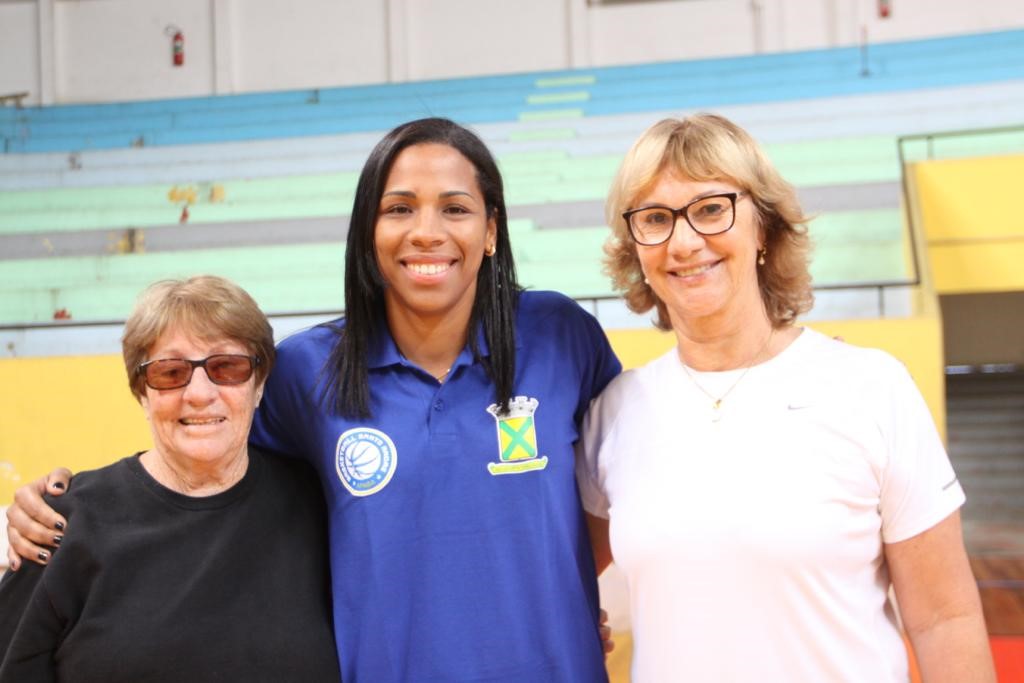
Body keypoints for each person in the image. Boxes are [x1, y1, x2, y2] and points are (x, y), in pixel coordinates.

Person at [6, 118, 620, 682]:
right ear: (369, 232)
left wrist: (552, 596)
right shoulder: (308, 369)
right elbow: (208, 463)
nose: (426, 231)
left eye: (455, 208)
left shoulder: (561, 335)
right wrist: (74, 505)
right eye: (399, 208)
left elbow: (621, 485)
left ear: (490, 230)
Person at [575, 113, 995, 682]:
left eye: (710, 209)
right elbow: (563, 581)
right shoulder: (615, 411)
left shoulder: (871, 388)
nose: (684, 241)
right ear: (637, 252)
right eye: (654, 218)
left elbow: (945, 618)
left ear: (765, 229)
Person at [0, 275, 340, 682]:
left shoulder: (319, 504)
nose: (199, 392)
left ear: (259, 382)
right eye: (170, 371)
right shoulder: (59, 525)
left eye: (226, 366)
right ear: (142, 392)